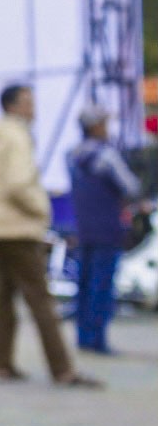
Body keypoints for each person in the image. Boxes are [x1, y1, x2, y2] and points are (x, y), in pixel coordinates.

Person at [0, 84, 100, 386]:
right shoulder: (16, 136)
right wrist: (40, 209)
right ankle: (62, 368)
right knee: (41, 300)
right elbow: (18, 183)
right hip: (18, 227)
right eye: (27, 102)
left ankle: (3, 363)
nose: (33, 108)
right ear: (12, 106)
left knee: (4, 297)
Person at [65, 103, 144, 356]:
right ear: (96, 126)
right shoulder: (106, 156)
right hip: (107, 229)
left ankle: (83, 336)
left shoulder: (72, 155)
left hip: (83, 228)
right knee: (102, 285)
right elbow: (130, 186)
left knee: (85, 283)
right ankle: (97, 339)